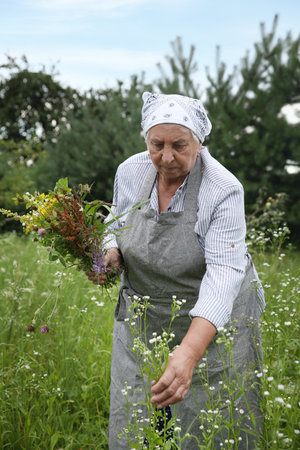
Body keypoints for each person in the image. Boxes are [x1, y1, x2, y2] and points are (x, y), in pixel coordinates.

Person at [87, 92, 265, 449]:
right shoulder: (131, 170)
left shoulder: (223, 189)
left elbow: (223, 275)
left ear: (198, 143)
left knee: (209, 421)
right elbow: (115, 221)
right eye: (157, 144)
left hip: (209, 325)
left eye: (179, 146)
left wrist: (187, 353)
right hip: (145, 315)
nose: (166, 158)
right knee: (137, 417)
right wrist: (110, 249)